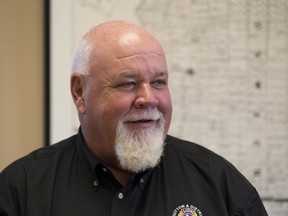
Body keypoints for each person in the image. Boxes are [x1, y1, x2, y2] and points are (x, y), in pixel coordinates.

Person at [0, 20, 268, 216]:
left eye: (159, 82)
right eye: (127, 84)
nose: (149, 98)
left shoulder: (221, 185)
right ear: (79, 92)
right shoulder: (21, 190)